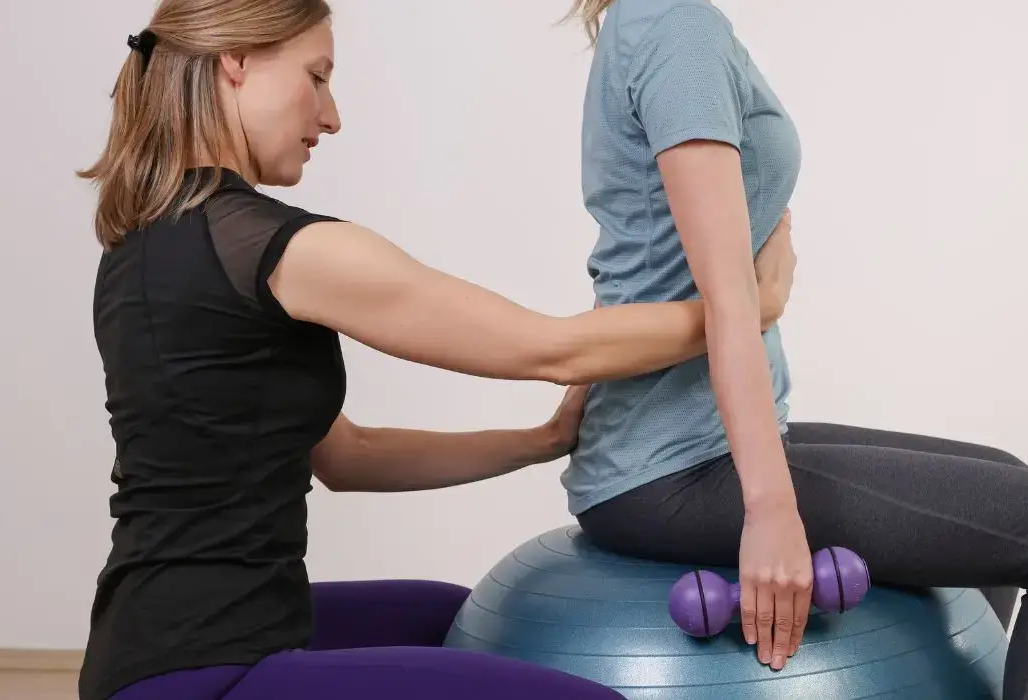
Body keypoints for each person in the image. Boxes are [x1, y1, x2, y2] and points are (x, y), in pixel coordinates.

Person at [74, 2, 797, 699]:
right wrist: (747, 306)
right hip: (209, 668)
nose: (330, 116)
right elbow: (552, 348)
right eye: (317, 76)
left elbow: (346, 457)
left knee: (471, 618)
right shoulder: (284, 252)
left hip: (157, 645)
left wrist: (540, 440)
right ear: (235, 62)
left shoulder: (142, 246)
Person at [560, 1, 1028, 699]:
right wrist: (770, 512)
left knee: (1003, 476)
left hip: (663, 446)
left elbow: (632, 258)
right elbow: (728, 299)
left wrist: (574, 418)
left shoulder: (645, 20)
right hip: (672, 467)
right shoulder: (676, 26)